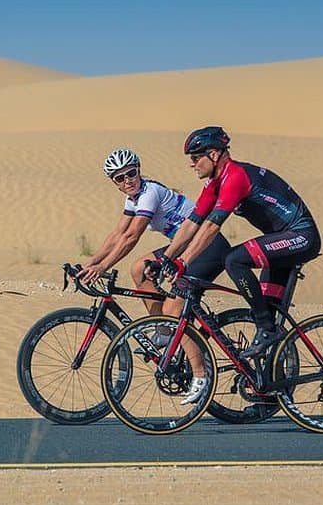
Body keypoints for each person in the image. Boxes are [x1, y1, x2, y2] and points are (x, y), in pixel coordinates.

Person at [157, 126, 321, 379]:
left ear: (213, 155)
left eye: (195, 157)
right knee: (269, 312)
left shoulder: (235, 177)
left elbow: (212, 226)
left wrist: (184, 261)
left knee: (234, 260)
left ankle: (266, 328)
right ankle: (268, 391)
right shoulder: (215, 184)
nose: (192, 164)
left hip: (302, 237)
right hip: (281, 241)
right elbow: (192, 223)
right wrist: (167, 258)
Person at [78, 149, 231, 395]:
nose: (127, 180)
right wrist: (92, 263)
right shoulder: (133, 198)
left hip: (207, 248)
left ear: (139, 170)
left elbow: (131, 237)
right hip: (183, 247)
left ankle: (201, 377)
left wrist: (103, 267)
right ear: (115, 183)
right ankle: (164, 331)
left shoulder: (150, 193)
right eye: (120, 178)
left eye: (131, 173)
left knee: (173, 310)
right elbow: (117, 234)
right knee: (139, 268)